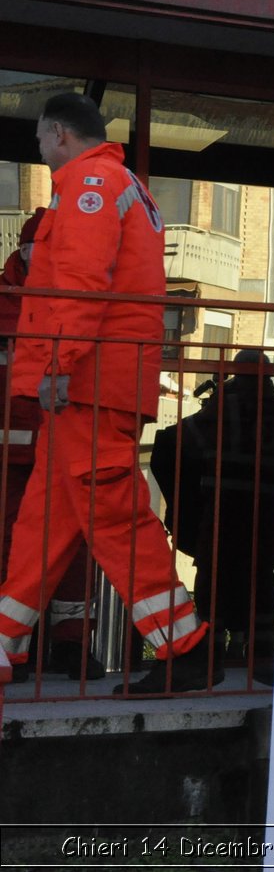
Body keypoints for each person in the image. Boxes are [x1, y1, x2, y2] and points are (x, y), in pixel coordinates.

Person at [0, 92, 211, 694]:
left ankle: (183, 647)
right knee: (43, 519)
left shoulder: (89, 182)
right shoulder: (128, 186)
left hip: (87, 384)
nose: (40, 154)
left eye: (40, 142)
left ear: (59, 134)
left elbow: (80, 284)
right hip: (103, 382)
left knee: (116, 516)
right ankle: (3, 641)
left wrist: (58, 364)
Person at [0, 207, 104, 682]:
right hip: (10, 458)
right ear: (23, 250)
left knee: (72, 552)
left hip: (63, 447)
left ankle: (71, 645)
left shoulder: (76, 299)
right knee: (10, 550)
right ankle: (11, 652)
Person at [150, 349, 274, 685]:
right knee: (262, 583)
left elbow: (167, 446)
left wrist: (183, 509)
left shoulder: (217, 411)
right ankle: (261, 658)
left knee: (213, 585)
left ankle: (209, 659)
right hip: (268, 519)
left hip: (218, 517)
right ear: (269, 378)